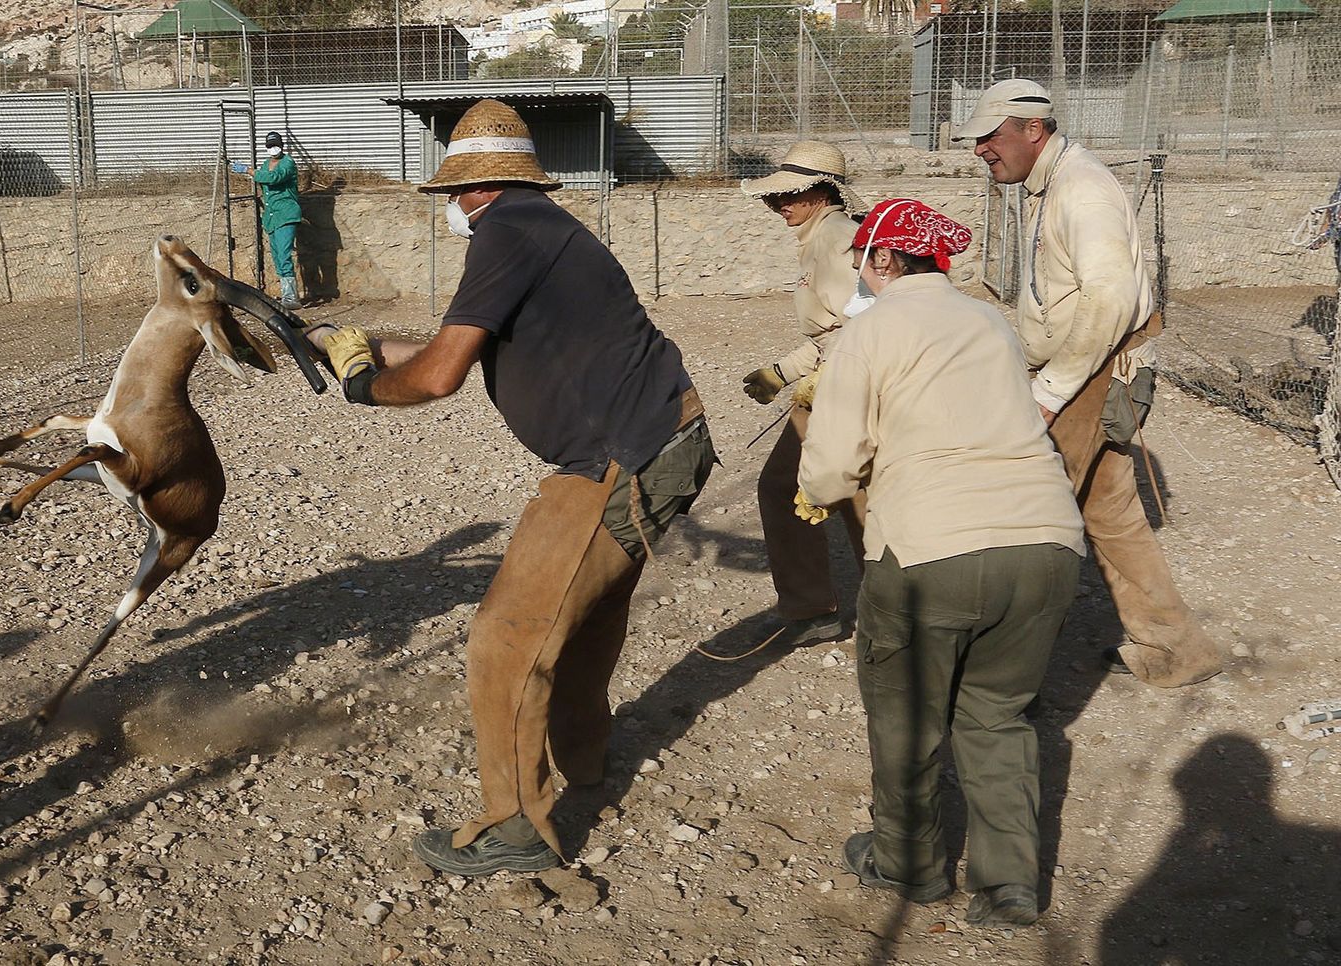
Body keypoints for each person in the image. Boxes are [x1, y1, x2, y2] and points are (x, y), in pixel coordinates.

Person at [307, 99, 717, 876]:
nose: (454, 208)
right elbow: (450, 347)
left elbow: (435, 377)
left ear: (473, 187)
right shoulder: (542, 227)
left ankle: (518, 830)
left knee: (506, 637)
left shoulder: (504, 233)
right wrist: (343, 343)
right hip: (667, 435)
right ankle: (585, 758)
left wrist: (361, 384)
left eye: (454, 193)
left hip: (616, 457)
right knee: (586, 612)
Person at [797, 198, 1086, 927]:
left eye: (864, 257)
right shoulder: (990, 322)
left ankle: (909, 861)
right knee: (997, 714)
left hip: (932, 550)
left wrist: (813, 493)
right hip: (1046, 541)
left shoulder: (874, 329)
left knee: (906, 716)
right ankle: (1009, 883)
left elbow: (832, 465)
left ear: (886, 260)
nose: (860, 270)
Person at [955, 80, 1222, 688]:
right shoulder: (1051, 183)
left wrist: (1049, 393)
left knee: (1024, 516)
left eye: (988, 137)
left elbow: (1109, 298)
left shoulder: (1081, 188)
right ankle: (1177, 648)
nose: (979, 150)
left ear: (1032, 129)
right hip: (1084, 371)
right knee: (1112, 513)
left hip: (1088, 376)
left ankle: (996, 677)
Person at [738, 141, 870, 647]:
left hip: (846, 389)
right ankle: (831, 607)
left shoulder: (835, 241)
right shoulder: (826, 236)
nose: (779, 205)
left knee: (847, 498)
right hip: (835, 381)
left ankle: (835, 608)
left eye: (791, 195)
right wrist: (782, 370)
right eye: (777, 197)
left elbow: (860, 326)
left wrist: (813, 376)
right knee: (847, 496)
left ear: (820, 193)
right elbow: (834, 328)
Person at [254, 130, 301, 309]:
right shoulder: (266, 164)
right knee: (277, 256)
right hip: (272, 217)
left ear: (282, 146)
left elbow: (274, 178)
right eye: (270, 146)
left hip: (286, 214)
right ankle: (286, 295)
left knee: (283, 254)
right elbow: (265, 180)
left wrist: (250, 171)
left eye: (276, 145)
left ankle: (291, 297)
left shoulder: (288, 163)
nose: (273, 149)